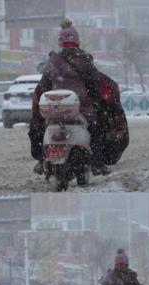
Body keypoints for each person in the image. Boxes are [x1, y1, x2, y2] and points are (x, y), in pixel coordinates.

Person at [29, 19, 111, 177]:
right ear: (77, 41)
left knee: (37, 127)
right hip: (81, 108)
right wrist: (95, 101)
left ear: (60, 42)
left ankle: (41, 160)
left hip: (54, 108)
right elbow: (94, 84)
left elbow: (44, 86)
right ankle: (97, 164)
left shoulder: (53, 61)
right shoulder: (85, 60)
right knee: (96, 127)